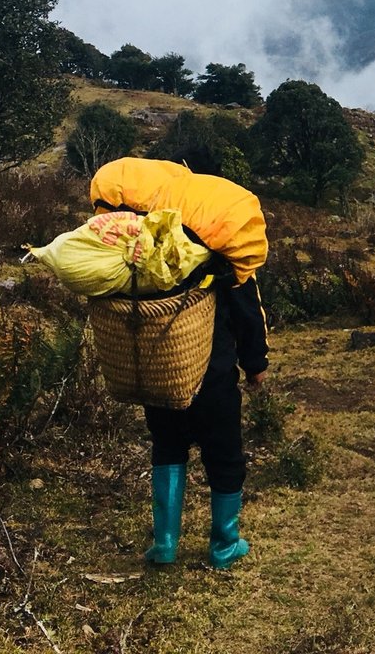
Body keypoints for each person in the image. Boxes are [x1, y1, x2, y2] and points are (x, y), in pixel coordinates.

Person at [89, 158, 270, 570]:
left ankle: (165, 545)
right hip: (213, 379)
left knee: (167, 448)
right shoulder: (223, 261)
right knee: (224, 457)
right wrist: (255, 364)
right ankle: (224, 546)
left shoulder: (144, 259)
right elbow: (248, 317)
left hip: (160, 377)